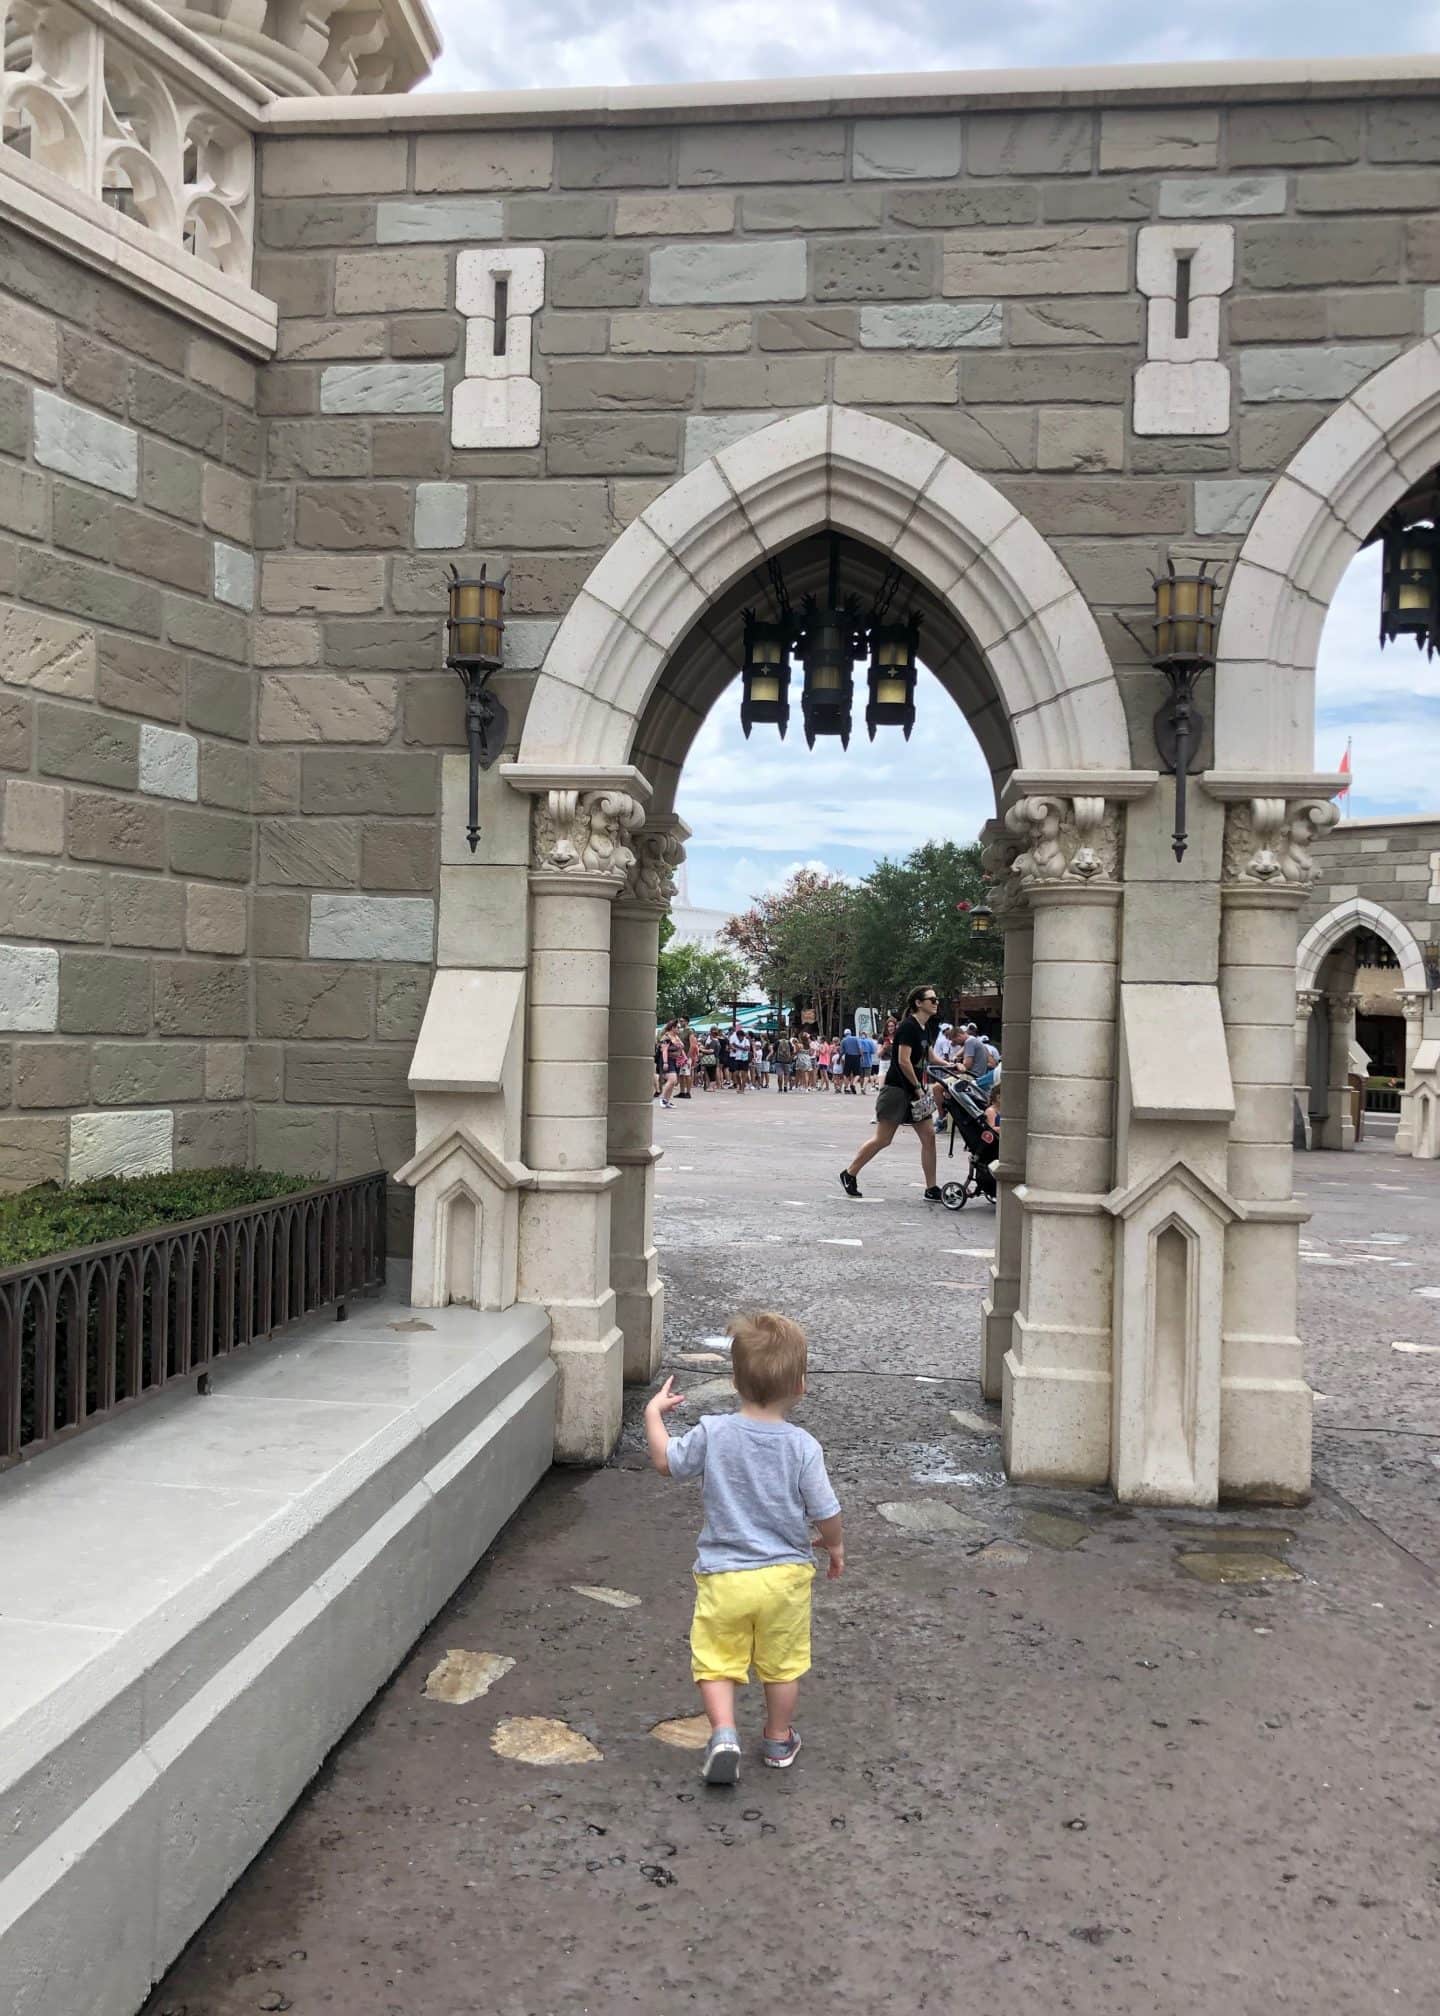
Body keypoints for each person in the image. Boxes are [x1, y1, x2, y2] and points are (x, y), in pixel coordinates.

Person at [643, 1311, 844, 1784]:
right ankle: (777, 1738)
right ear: (801, 1386)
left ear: (734, 1381)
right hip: (785, 1579)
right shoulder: (803, 1447)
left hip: (724, 1575)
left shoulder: (714, 1433)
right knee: (782, 1666)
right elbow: (825, 1510)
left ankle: (725, 1732)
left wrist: (653, 1414)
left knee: (715, 1661)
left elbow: (665, 1462)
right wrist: (833, 1547)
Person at [839, 983, 942, 1202]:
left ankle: (931, 1187)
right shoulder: (907, 1027)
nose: (936, 1003)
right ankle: (849, 1173)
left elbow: (930, 1056)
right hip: (898, 1090)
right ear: (918, 1003)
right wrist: (917, 1087)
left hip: (916, 1091)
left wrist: (954, 1065)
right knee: (883, 1139)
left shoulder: (926, 1028)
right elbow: (904, 1061)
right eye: (932, 999)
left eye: (936, 999)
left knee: (929, 1136)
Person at [657, 1020, 684, 1109]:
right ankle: (662, 1098)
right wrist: (665, 1062)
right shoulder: (666, 1037)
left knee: (673, 1082)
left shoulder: (676, 1036)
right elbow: (664, 1050)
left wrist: (684, 1057)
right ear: (673, 1028)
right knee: (672, 1079)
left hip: (674, 1060)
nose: (679, 1029)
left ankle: (667, 1101)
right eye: (678, 1027)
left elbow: (681, 1047)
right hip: (667, 1060)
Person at [839, 1026, 865, 1094]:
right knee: (858, 1073)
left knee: (846, 1073)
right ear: (850, 1033)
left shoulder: (843, 1040)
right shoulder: (856, 1039)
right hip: (856, 1057)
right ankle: (853, 1083)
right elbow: (860, 1048)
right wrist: (862, 1056)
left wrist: (839, 1058)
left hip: (848, 1057)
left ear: (845, 1034)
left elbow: (842, 1051)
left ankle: (846, 1088)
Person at [773, 1028, 794, 1094]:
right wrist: (790, 1057)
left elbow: (774, 1050)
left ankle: (780, 1088)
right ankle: (785, 1086)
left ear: (780, 1035)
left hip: (778, 1060)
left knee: (780, 1075)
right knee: (786, 1074)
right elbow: (792, 1051)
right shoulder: (789, 1042)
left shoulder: (777, 1042)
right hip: (787, 1061)